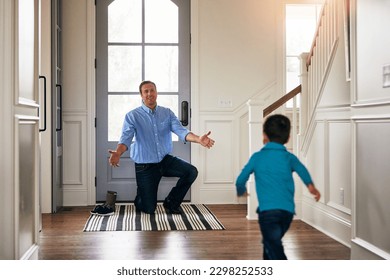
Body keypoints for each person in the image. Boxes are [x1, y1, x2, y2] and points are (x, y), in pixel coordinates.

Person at [108, 80, 215, 215]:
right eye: (146, 91)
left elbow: (181, 131)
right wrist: (118, 152)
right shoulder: (132, 116)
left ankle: (171, 202)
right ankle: (141, 195)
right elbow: (125, 139)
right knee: (148, 209)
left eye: (152, 90)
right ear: (141, 95)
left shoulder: (167, 113)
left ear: (156, 92)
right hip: (145, 165)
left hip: (165, 160)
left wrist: (198, 139)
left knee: (191, 171)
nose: (149, 94)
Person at [235, 114, 320, 260]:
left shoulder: (257, 157)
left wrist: (241, 191)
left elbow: (240, 180)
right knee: (270, 243)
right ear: (287, 138)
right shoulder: (289, 157)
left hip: (268, 213)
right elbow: (302, 171)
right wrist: (311, 187)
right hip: (287, 213)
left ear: (264, 136)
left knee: (273, 245)